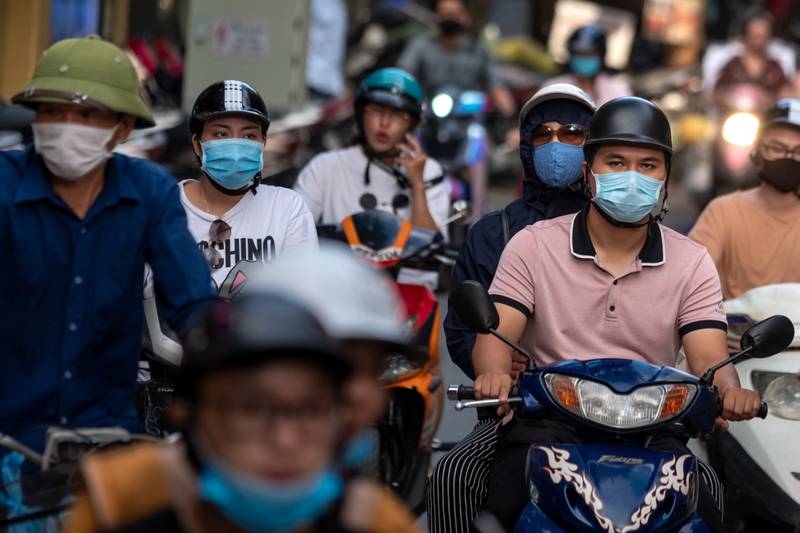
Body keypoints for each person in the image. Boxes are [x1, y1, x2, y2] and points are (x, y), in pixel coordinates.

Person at [472, 97, 761, 531]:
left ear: (666, 178)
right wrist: (492, 372)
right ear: (588, 173)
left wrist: (729, 389)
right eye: (615, 162)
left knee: (709, 501)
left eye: (648, 166)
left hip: (653, 426)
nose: (632, 177)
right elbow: (496, 335)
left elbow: (709, 359)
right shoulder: (533, 245)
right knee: (468, 485)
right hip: (549, 423)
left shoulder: (691, 261)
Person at [0, 36, 214, 454]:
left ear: (122, 129)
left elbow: (191, 302)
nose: (65, 125)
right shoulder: (4, 185)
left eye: (85, 115)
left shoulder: (148, 191)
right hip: (7, 434)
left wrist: (227, 363)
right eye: (52, 111)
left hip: (105, 435)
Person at [64, 292, 422, 533]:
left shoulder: (373, 520)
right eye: (251, 409)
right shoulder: (120, 501)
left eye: (311, 409)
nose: (285, 440)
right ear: (188, 415)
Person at [428, 83, 596, 533]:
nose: (557, 145)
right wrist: (497, 367)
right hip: (517, 411)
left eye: (573, 133)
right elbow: (464, 329)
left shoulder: (617, 227)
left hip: (614, 411)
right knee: (453, 475)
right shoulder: (495, 233)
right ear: (525, 145)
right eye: (544, 135)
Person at [182, 80, 317, 291]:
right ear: (197, 145)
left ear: (262, 143)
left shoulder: (286, 208)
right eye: (220, 134)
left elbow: (303, 294)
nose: (235, 147)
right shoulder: (166, 207)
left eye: (248, 135)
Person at [294, 67, 449, 234]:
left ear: (412, 125)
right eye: (376, 110)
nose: (385, 122)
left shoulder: (428, 171)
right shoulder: (324, 167)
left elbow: (431, 248)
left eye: (397, 114)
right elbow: (294, 234)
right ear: (361, 114)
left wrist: (417, 185)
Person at [689, 98, 800, 300]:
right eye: (777, 148)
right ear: (757, 150)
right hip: (734, 330)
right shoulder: (723, 211)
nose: (788, 157)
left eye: (798, 151)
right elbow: (690, 279)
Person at [398, 0, 515, 119]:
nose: (449, 20)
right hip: (427, 118)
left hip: (468, 120)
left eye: (453, 15)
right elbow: (403, 78)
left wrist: (508, 112)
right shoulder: (420, 47)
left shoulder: (479, 52)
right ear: (436, 17)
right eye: (444, 15)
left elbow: (497, 85)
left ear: (465, 18)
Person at [543, 25, 632, 106]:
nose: (583, 59)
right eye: (579, 54)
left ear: (601, 56)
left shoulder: (618, 92)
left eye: (590, 54)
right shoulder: (553, 88)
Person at [713, 8, 790, 100]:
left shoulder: (775, 69)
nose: (758, 42)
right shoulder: (733, 66)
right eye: (755, 36)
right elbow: (716, 93)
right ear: (745, 37)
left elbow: (786, 93)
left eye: (763, 36)